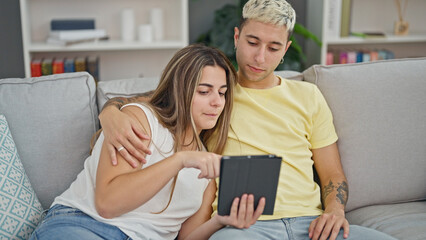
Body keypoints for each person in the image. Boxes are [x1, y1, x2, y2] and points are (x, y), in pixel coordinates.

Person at [98, 1, 397, 240]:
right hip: (244, 228)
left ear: (286, 50)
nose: (260, 57)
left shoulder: (309, 96)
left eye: (273, 48)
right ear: (237, 37)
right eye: (253, 42)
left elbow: (332, 173)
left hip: (312, 224)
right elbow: (158, 98)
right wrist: (110, 112)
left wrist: (334, 210)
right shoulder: (214, 92)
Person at [29, 44, 266, 240]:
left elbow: (186, 237)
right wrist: (180, 160)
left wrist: (220, 220)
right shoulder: (141, 120)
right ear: (179, 92)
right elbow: (107, 204)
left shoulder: (206, 165)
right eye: (204, 92)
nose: (217, 102)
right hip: (85, 226)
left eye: (222, 92)